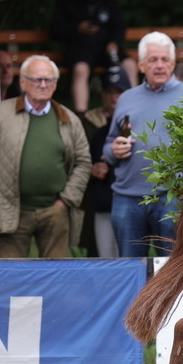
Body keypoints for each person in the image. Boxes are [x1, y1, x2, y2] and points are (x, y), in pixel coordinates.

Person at [0, 55, 92, 258]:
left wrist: (66, 200)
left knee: (55, 275)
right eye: (37, 79)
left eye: (49, 80)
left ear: (55, 84)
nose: (43, 85)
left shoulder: (68, 118)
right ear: (23, 82)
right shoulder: (1, 113)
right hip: (12, 210)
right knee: (12, 276)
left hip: (55, 210)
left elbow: (83, 161)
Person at [103, 32, 183, 257]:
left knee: (172, 272)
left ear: (173, 63)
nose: (159, 66)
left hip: (171, 198)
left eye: (164, 60)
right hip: (127, 198)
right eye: (153, 60)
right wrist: (113, 150)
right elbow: (109, 144)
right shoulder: (126, 98)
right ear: (140, 65)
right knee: (130, 272)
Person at [50, 0, 138, 113]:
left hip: (106, 49)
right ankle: (81, 113)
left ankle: (134, 108)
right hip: (80, 49)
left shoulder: (109, 2)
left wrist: (114, 43)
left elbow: (119, 27)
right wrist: (77, 28)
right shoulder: (68, 2)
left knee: (130, 65)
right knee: (81, 70)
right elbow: (56, 31)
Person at [79, 67, 130, 257]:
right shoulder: (99, 132)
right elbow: (84, 163)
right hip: (104, 203)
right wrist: (93, 169)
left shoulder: (141, 126)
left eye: (119, 92)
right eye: (110, 92)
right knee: (105, 258)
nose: (114, 97)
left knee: (131, 259)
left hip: (132, 204)